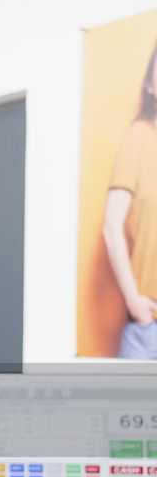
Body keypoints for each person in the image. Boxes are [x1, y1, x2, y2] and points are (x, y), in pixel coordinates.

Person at [104, 38, 157, 359]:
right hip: (149, 329)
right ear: (150, 86)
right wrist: (136, 304)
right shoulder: (139, 138)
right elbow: (111, 226)